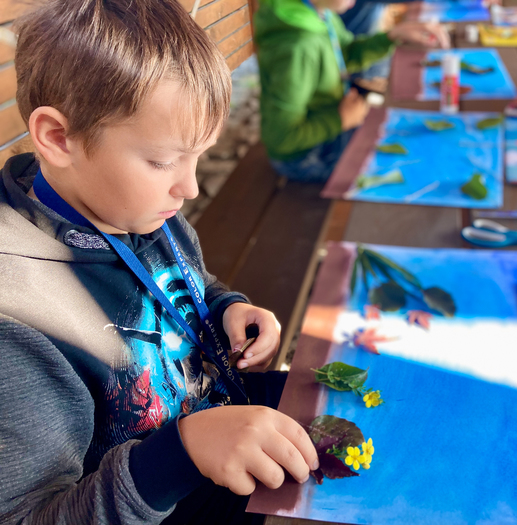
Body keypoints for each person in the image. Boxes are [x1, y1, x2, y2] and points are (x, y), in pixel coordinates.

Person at [0, 1, 318, 524]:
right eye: (163, 161)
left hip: (217, 412)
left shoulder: (136, 208)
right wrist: (181, 453)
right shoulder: (19, 322)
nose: (189, 187)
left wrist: (225, 308)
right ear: (58, 138)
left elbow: (187, 283)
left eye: (198, 157)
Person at [254, 0, 450, 182]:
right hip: (307, 154)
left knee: (414, 139)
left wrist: (392, 36)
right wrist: (341, 119)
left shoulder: (318, 12)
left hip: (330, 123)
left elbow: (345, 54)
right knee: (407, 165)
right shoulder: (298, 47)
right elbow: (281, 138)